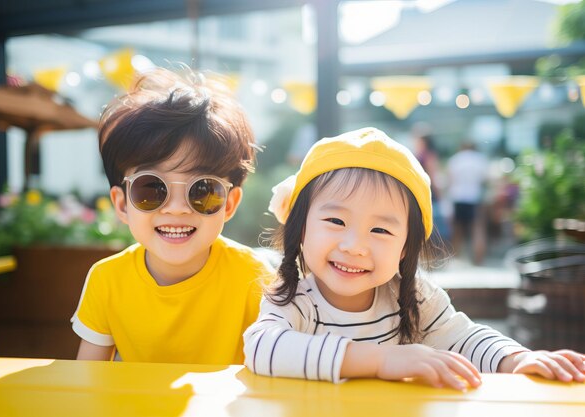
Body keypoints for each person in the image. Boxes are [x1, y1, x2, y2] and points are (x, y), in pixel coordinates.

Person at [243, 127, 585, 389]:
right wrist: (380, 360)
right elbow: (261, 349)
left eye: (380, 231)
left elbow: (463, 338)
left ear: (406, 247)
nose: (354, 246)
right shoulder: (296, 298)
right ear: (301, 228)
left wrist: (517, 359)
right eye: (336, 221)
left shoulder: (411, 295)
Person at [71, 67, 274, 364]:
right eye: (151, 188)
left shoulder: (254, 279)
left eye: (202, 189)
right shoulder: (107, 280)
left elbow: (278, 371)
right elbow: (86, 380)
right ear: (122, 204)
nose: (177, 208)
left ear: (229, 204)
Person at [446, 142, 489, 264]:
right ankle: (478, 259)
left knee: (457, 229)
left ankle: (455, 258)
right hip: (474, 197)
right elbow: (485, 179)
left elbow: (449, 180)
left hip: (458, 197)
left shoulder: (455, 160)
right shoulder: (480, 159)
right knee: (477, 229)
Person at [412, 133, 449, 241]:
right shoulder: (427, 155)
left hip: (425, 192)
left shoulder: (422, 155)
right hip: (426, 192)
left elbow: (432, 176)